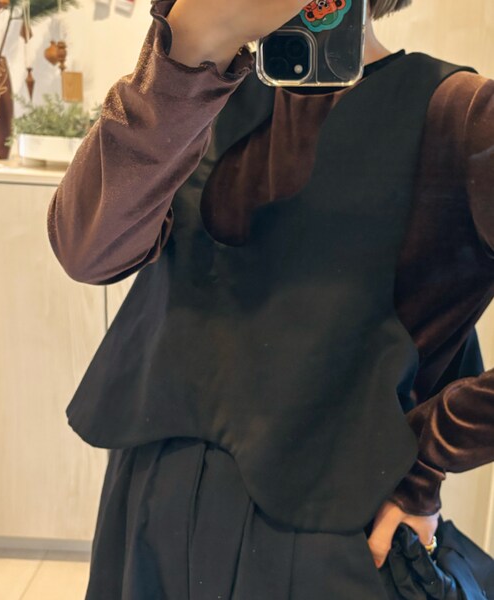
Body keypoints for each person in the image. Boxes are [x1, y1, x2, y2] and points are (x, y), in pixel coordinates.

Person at [47, 0, 494, 597]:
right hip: (150, 499)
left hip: (328, 528)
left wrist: (429, 457)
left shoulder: (464, 113)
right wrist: (186, 54)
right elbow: (87, 251)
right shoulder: (195, 87)